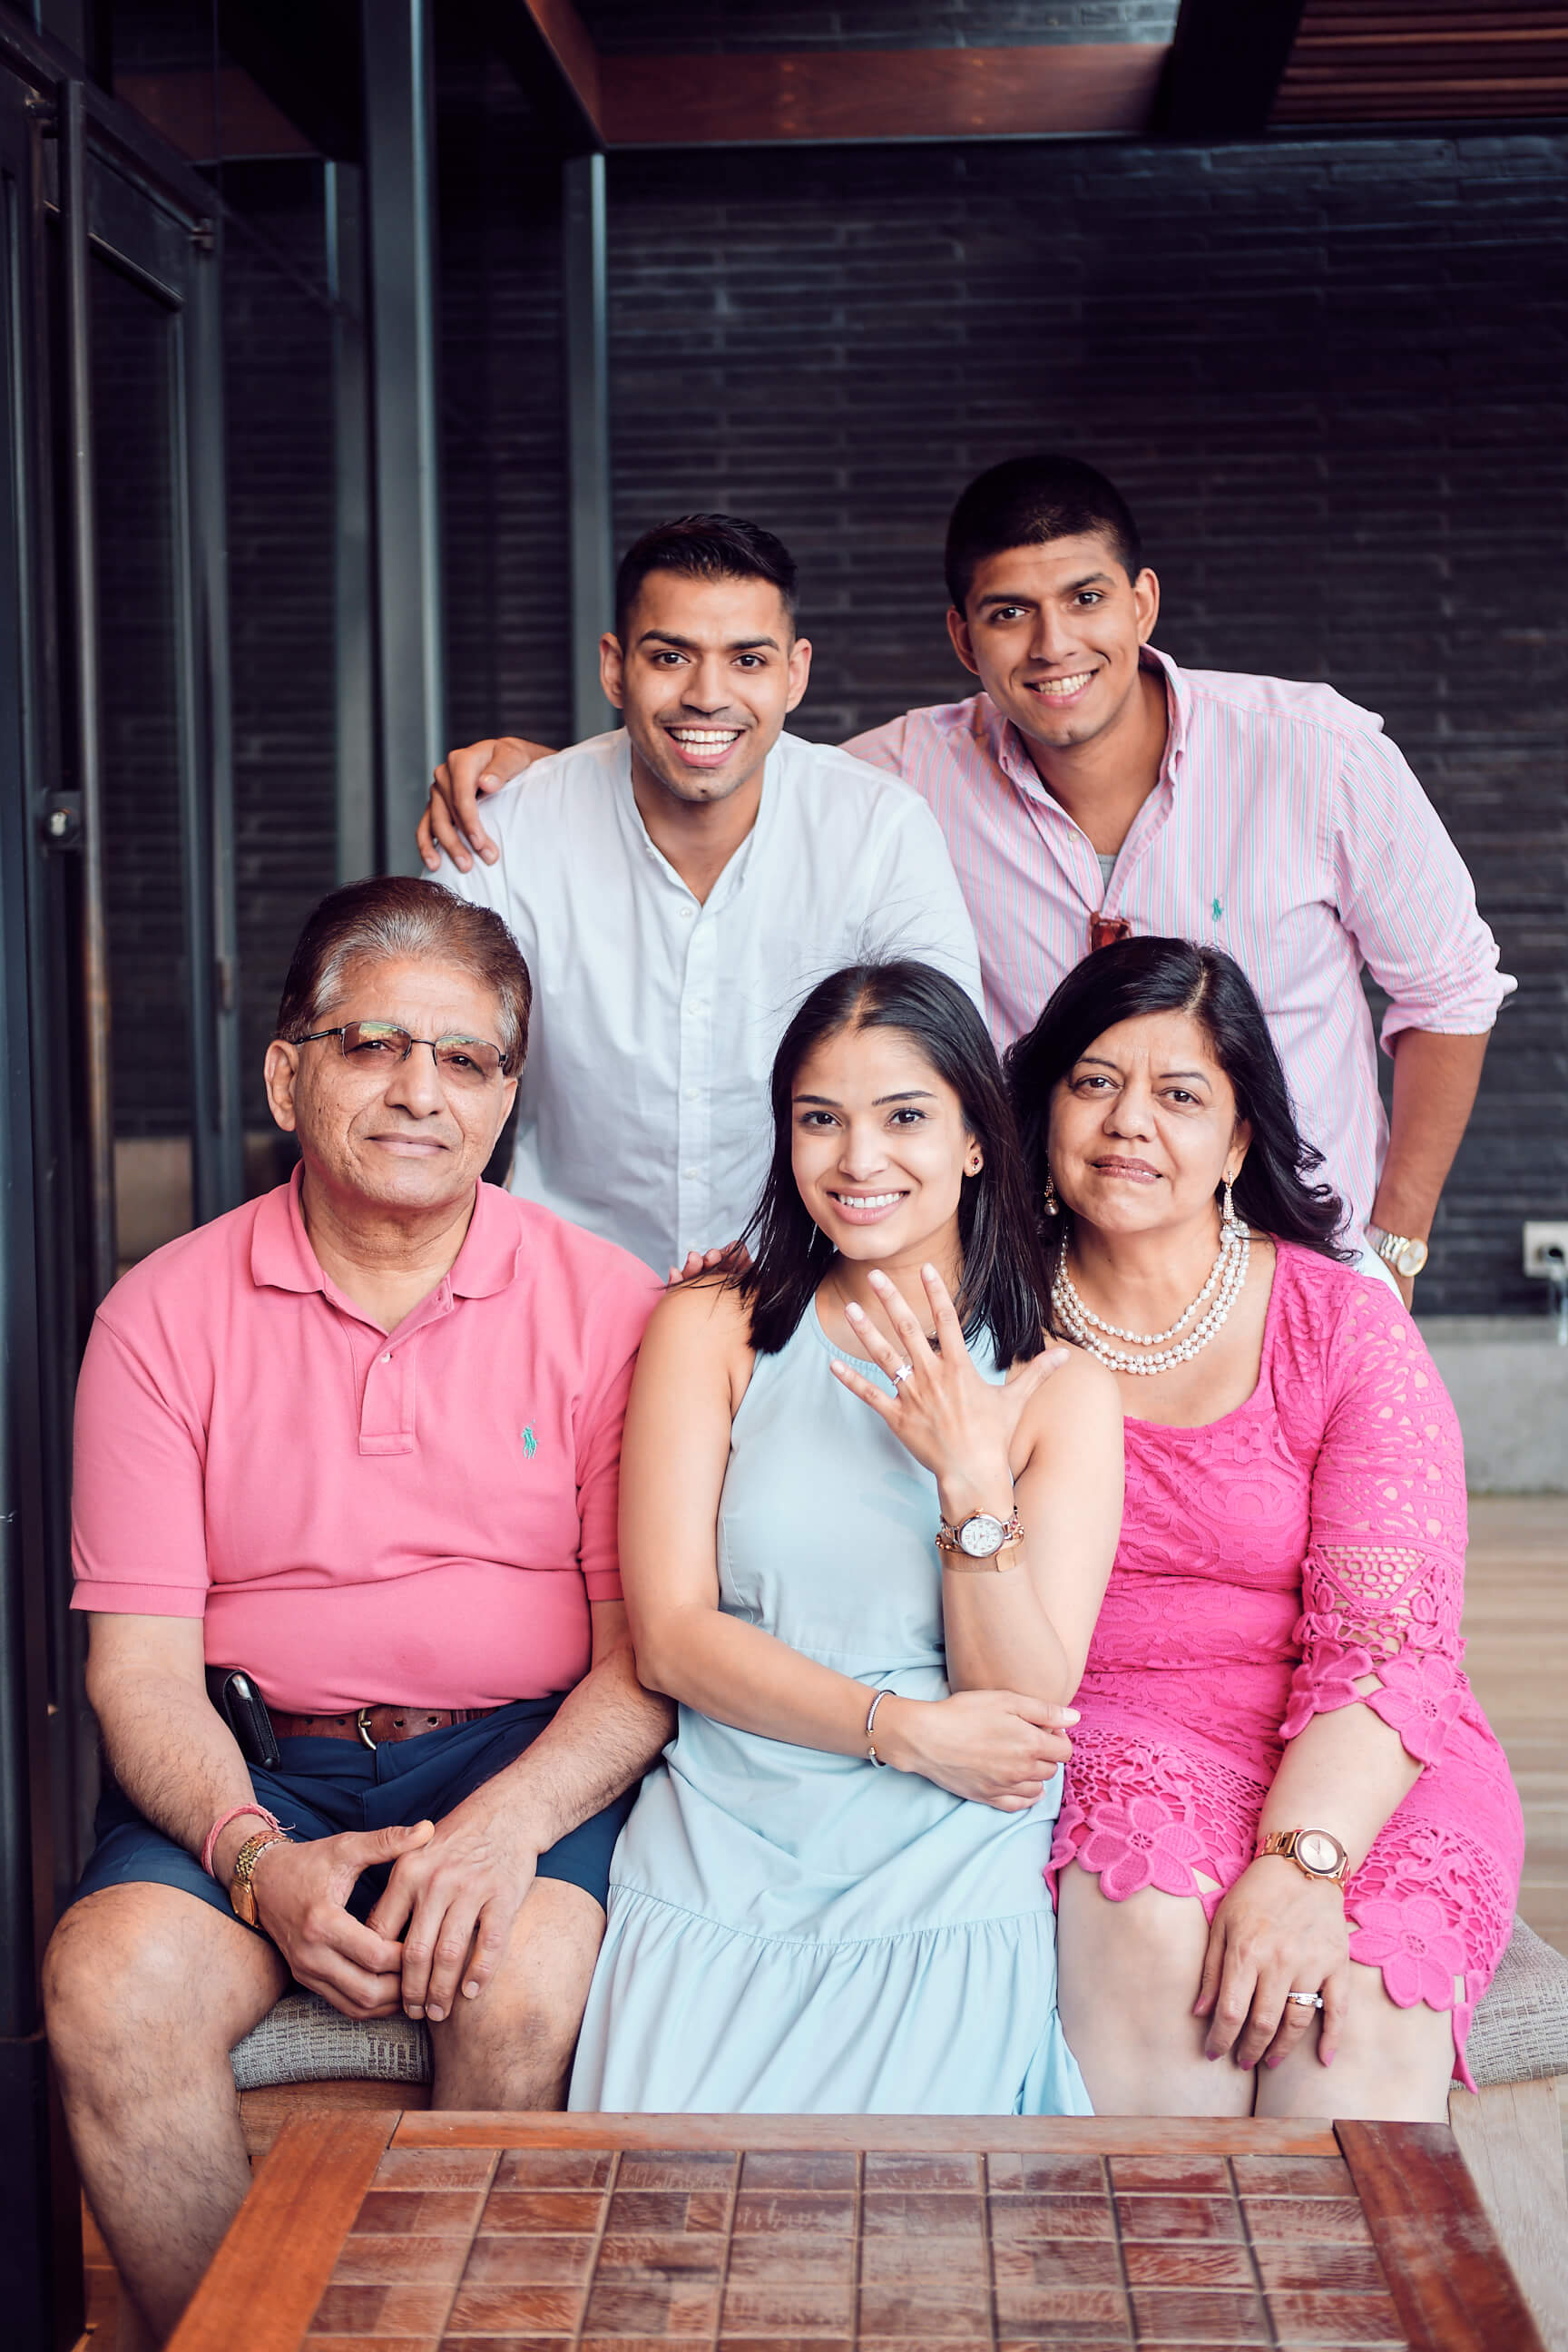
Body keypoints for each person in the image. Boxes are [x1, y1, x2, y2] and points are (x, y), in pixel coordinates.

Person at [42, 878, 671, 2347]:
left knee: (518, 1985)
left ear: (508, 1097)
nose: (417, 1093)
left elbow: (642, 1662)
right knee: (109, 1984)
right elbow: (136, 1672)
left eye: (464, 1061)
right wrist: (260, 1864)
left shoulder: (601, 1303)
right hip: (258, 1768)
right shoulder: (163, 1312)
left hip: (519, 1760)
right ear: (287, 1069)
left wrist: (502, 1829)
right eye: (372, 1043)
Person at [428, 458, 1512, 1303]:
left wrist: (1395, 1240)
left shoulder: (1313, 752)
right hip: (1049, 1274)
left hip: (1295, 1260)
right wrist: (551, 776)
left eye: (1085, 598)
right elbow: (722, 749)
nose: (1053, 646)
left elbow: (1452, 992)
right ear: (962, 637)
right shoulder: (900, 782)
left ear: (1141, 602)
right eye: (1008, 615)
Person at [568, 961, 1123, 2113]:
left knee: (923, 2243)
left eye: (906, 1117)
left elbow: (1020, 1708)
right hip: (727, 1832)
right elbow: (670, 1640)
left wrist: (970, 1481)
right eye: (821, 1120)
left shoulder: (1057, 1389)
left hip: (946, 1854)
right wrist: (903, 1732)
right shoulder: (710, 1328)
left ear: (976, 1139)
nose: (859, 1160)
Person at [1004, 934, 1523, 2120]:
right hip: (1124, 1724)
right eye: (1095, 1083)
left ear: (1238, 1141)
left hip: (1367, 1755)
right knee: (1148, 1939)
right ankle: (1166, 2300)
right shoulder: (989, 1314)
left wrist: (1303, 1867)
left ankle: (1342, 2308)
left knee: (1363, 2022)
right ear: (1042, 1114)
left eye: (1181, 1095)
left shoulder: (1343, 1327)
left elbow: (1390, 1651)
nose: (1131, 1121)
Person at [427, 512, 980, 1279]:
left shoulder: (878, 831)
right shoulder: (511, 831)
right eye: (671, 656)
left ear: (796, 672)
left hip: (812, 1291)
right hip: (564, 1292)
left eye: (748, 659)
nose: (708, 695)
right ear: (616, 668)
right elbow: (420, 1050)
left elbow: (940, 1082)